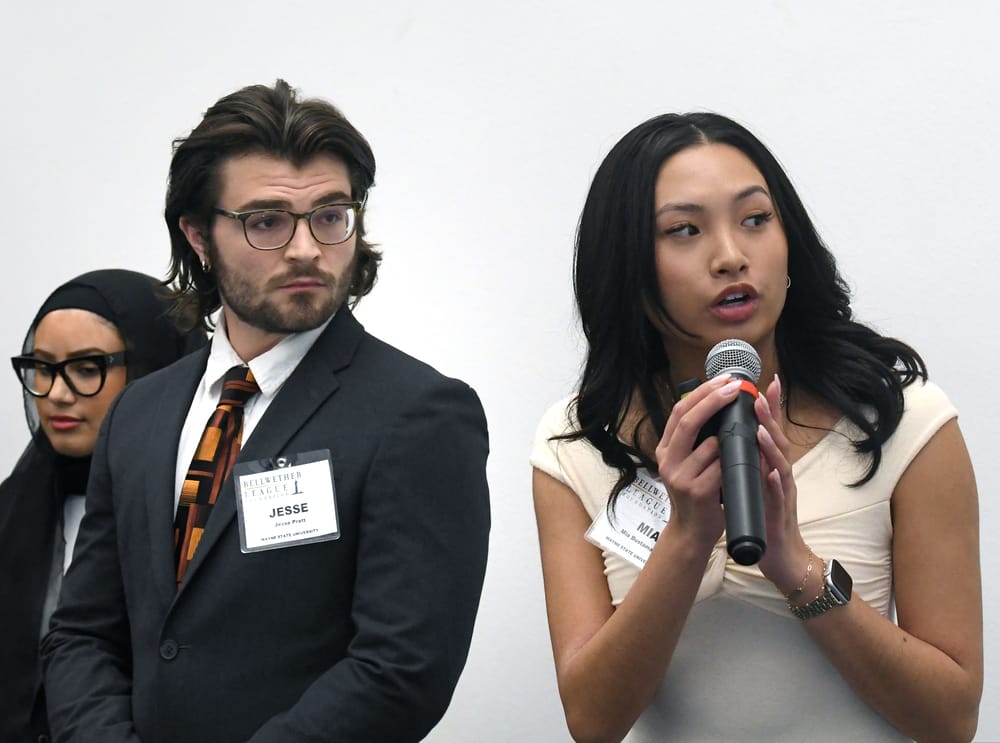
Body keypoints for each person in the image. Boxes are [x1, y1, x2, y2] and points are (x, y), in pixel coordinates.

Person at [41, 80, 491, 742]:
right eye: (267, 220)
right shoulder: (139, 412)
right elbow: (82, 632)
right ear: (198, 235)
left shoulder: (419, 413)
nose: (307, 247)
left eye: (331, 214)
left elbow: (400, 669)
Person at [530, 113, 982, 742]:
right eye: (684, 230)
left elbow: (952, 718)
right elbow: (592, 722)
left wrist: (794, 565)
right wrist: (687, 541)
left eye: (755, 219)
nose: (731, 256)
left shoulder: (907, 423)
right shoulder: (575, 446)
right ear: (628, 270)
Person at [0, 269, 206, 742]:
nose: (56, 393)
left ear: (156, 371)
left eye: (87, 369)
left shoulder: (200, 514)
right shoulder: (14, 510)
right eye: (41, 367)